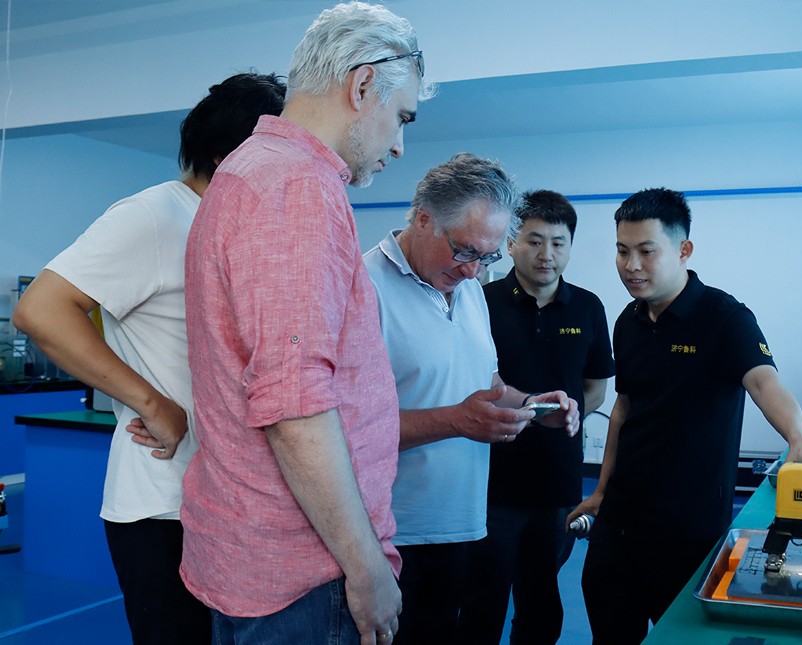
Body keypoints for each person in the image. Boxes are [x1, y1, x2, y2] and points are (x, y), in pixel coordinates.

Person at [180, 4, 432, 644]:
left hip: (257, 552)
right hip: (306, 572)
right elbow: (294, 407)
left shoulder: (247, 172)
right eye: (402, 118)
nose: (399, 145)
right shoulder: (297, 187)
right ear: (363, 85)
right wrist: (366, 566)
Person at [11, 72, 286, 644]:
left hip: (230, 497)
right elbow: (41, 309)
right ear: (226, 156)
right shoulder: (156, 215)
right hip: (166, 502)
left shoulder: (230, 225)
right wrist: (152, 402)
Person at [569, 188, 802, 644]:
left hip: (688, 533)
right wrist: (602, 492)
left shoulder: (725, 317)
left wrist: (800, 438)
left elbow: (763, 381)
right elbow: (623, 409)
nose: (631, 265)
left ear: (684, 250)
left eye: (646, 251)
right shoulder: (628, 322)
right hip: (620, 525)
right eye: (622, 251)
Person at [363, 155, 580, 645]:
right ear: (423, 218)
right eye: (464, 250)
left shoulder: (469, 288)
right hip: (390, 534)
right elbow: (343, 428)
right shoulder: (364, 286)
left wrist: (531, 405)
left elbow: (489, 381)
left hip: (461, 523)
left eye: (487, 257)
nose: (473, 270)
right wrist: (456, 422)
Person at [457, 190, 615, 644]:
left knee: (542, 596)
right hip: (490, 480)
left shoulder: (588, 307)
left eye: (558, 243)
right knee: (482, 598)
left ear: (570, 246)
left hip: (557, 482)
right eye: (534, 241)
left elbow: (594, 388)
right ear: (511, 244)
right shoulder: (478, 301)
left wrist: (561, 417)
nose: (547, 254)